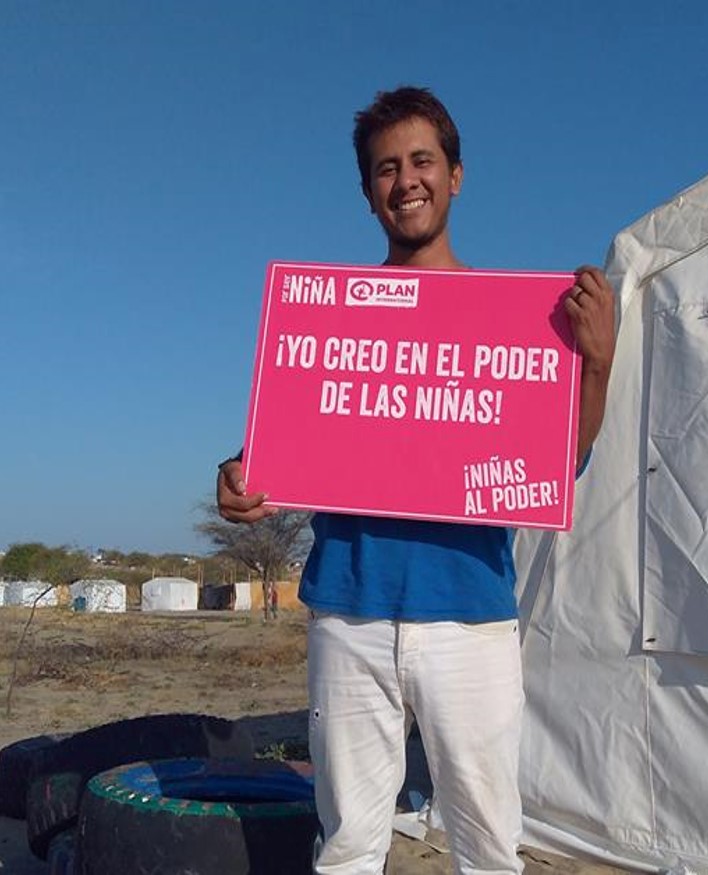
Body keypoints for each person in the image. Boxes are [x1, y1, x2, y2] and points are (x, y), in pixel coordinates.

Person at [216, 87, 616, 874]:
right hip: (349, 614)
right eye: (386, 168)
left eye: (422, 161)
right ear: (368, 193)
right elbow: (291, 434)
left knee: (489, 848)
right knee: (347, 846)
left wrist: (596, 364)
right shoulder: (335, 316)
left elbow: (557, 462)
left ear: (456, 176)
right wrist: (236, 474)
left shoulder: (517, 322)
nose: (406, 181)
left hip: (470, 616)